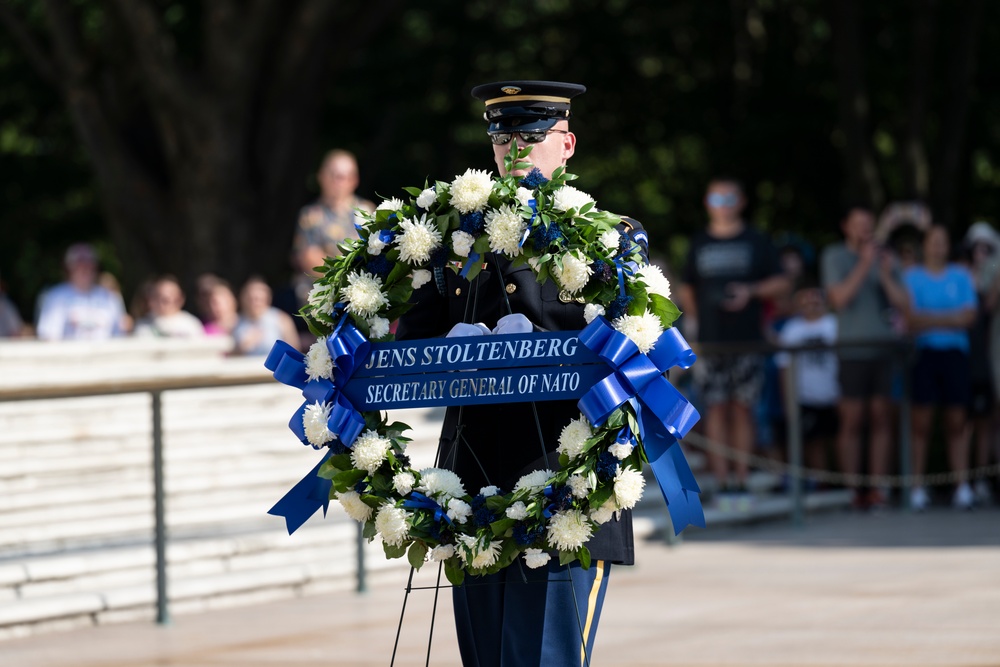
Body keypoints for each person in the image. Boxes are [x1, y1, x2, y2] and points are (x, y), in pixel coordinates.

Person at [396, 81, 646, 667]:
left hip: (565, 485)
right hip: (474, 480)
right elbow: (414, 344)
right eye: (503, 137)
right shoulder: (456, 240)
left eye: (533, 137)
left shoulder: (609, 237)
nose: (515, 150)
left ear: (567, 145)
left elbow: (630, 353)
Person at [678, 178, 791, 510]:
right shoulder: (699, 242)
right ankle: (722, 483)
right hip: (711, 345)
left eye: (729, 196)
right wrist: (695, 326)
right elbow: (687, 287)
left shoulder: (756, 240)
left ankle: (741, 482)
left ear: (741, 201)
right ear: (707, 201)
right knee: (714, 410)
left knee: (744, 411)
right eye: (717, 196)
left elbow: (783, 282)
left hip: (747, 341)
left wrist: (751, 292)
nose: (723, 202)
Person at [820, 206, 909, 509]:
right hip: (852, 348)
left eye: (869, 225)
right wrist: (864, 264)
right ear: (846, 227)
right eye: (859, 225)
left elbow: (904, 305)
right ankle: (852, 489)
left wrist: (884, 273)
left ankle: (879, 488)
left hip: (883, 348)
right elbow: (839, 299)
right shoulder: (834, 257)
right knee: (852, 419)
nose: (865, 230)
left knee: (882, 418)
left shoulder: (886, 259)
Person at [903, 225, 978, 510]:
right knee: (921, 423)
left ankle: (962, 485)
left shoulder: (960, 276)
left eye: (943, 242)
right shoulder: (912, 277)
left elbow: (969, 317)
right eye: (933, 242)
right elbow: (911, 320)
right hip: (924, 355)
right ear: (924, 245)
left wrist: (929, 319)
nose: (938, 247)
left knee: (957, 422)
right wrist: (950, 318)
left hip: (955, 355)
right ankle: (916, 486)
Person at [775, 279, 840, 489]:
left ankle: (836, 481)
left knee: (834, 439)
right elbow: (783, 368)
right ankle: (818, 482)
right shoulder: (792, 329)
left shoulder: (835, 324)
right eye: (806, 297)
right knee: (810, 441)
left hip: (833, 394)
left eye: (815, 296)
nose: (811, 302)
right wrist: (788, 401)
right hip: (804, 396)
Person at [36, 243, 127, 341]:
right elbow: (48, 336)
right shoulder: (55, 297)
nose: (85, 267)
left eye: (89, 262)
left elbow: (121, 335)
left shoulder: (110, 297)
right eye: (80, 263)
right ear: (69, 268)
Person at [293, 149, 375, 258]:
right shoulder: (310, 216)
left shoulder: (367, 210)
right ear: (321, 176)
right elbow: (309, 258)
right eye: (334, 175)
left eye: (345, 176)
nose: (339, 182)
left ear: (355, 180)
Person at [232, 277, 298, 355]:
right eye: (250, 299)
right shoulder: (234, 321)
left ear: (267, 298)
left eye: (258, 299)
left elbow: (294, 349)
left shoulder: (281, 319)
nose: (255, 303)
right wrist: (242, 348)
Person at [132, 275, 206, 338]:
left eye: (166, 299)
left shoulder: (191, 324)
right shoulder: (143, 325)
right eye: (157, 297)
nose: (161, 303)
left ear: (180, 299)